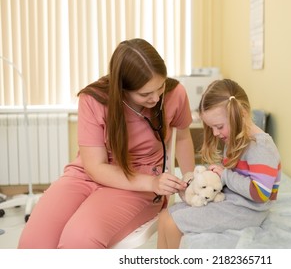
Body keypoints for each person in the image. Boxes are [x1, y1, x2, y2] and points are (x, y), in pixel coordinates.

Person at [18, 38, 195, 248]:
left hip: (140, 181)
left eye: (160, 87)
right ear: (121, 89)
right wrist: (152, 183)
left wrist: (190, 180)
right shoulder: (93, 99)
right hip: (86, 175)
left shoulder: (176, 94)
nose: (156, 98)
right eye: (145, 94)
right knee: (33, 243)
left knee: (79, 240)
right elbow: (95, 167)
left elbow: (183, 137)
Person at [157, 78, 281, 249]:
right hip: (232, 200)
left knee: (173, 224)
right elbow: (230, 177)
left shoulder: (261, 146)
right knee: (165, 216)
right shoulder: (235, 139)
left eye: (219, 126)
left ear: (241, 114)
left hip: (248, 211)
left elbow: (261, 193)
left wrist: (224, 175)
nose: (215, 133)